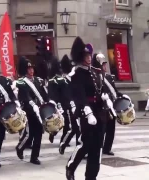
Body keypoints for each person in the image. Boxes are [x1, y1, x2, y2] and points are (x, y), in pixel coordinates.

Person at [66, 37, 108, 180]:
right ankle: (71, 166)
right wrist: (88, 112)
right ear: (80, 57)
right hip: (85, 113)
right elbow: (80, 95)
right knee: (85, 144)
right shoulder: (76, 74)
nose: (89, 58)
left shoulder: (96, 72)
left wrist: (104, 97)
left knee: (97, 148)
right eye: (86, 56)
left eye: (90, 55)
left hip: (99, 112)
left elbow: (99, 89)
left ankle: (91, 176)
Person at [15, 56, 48, 165]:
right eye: (29, 69)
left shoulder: (38, 81)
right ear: (25, 70)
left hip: (38, 111)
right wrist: (32, 104)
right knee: (29, 134)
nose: (31, 70)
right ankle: (20, 147)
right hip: (28, 111)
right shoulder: (21, 82)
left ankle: (34, 157)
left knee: (39, 134)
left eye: (32, 68)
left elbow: (44, 94)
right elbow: (26, 96)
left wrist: (50, 102)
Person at [92, 53, 122, 156]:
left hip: (111, 107)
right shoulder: (95, 77)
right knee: (101, 130)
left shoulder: (109, 77)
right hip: (101, 107)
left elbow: (114, 91)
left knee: (111, 129)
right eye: (103, 65)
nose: (105, 66)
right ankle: (98, 148)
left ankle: (107, 148)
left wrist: (122, 96)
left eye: (105, 64)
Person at [59, 55, 80, 154]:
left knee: (79, 128)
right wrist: (71, 105)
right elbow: (66, 95)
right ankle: (63, 143)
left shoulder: (74, 78)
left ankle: (79, 147)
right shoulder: (63, 80)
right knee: (73, 128)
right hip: (69, 107)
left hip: (78, 105)